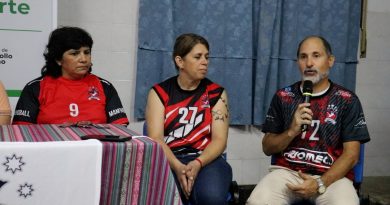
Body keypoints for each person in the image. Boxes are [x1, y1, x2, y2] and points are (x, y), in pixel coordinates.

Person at [246, 36, 370, 205]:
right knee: (258, 201)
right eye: (303, 57)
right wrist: (291, 131)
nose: (309, 63)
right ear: (298, 62)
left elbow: (352, 156)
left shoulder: (347, 100)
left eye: (316, 55)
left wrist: (320, 183)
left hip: (332, 178)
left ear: (330, 60)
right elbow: (267, 147)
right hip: (288, 173)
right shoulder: (284, 97)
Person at [145, 33, 232, 204]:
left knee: (211, 198)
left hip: (206, 159)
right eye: (198, 57)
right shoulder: (159, 93)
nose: (205, 62)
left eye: (207, 57)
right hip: (169, 159)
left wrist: (198, 163)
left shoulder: (216, 93)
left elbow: (220, 140)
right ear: (180, 61)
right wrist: (178, 167)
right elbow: (156, 139)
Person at [12, 27, 129, 125]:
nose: (83, 59)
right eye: (74, 53)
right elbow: (22, 131)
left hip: (96, 149)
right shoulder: (35, 88)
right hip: (50, 149)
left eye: (87, 52)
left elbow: (120, 128)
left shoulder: (105, 87)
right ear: (58, 59)